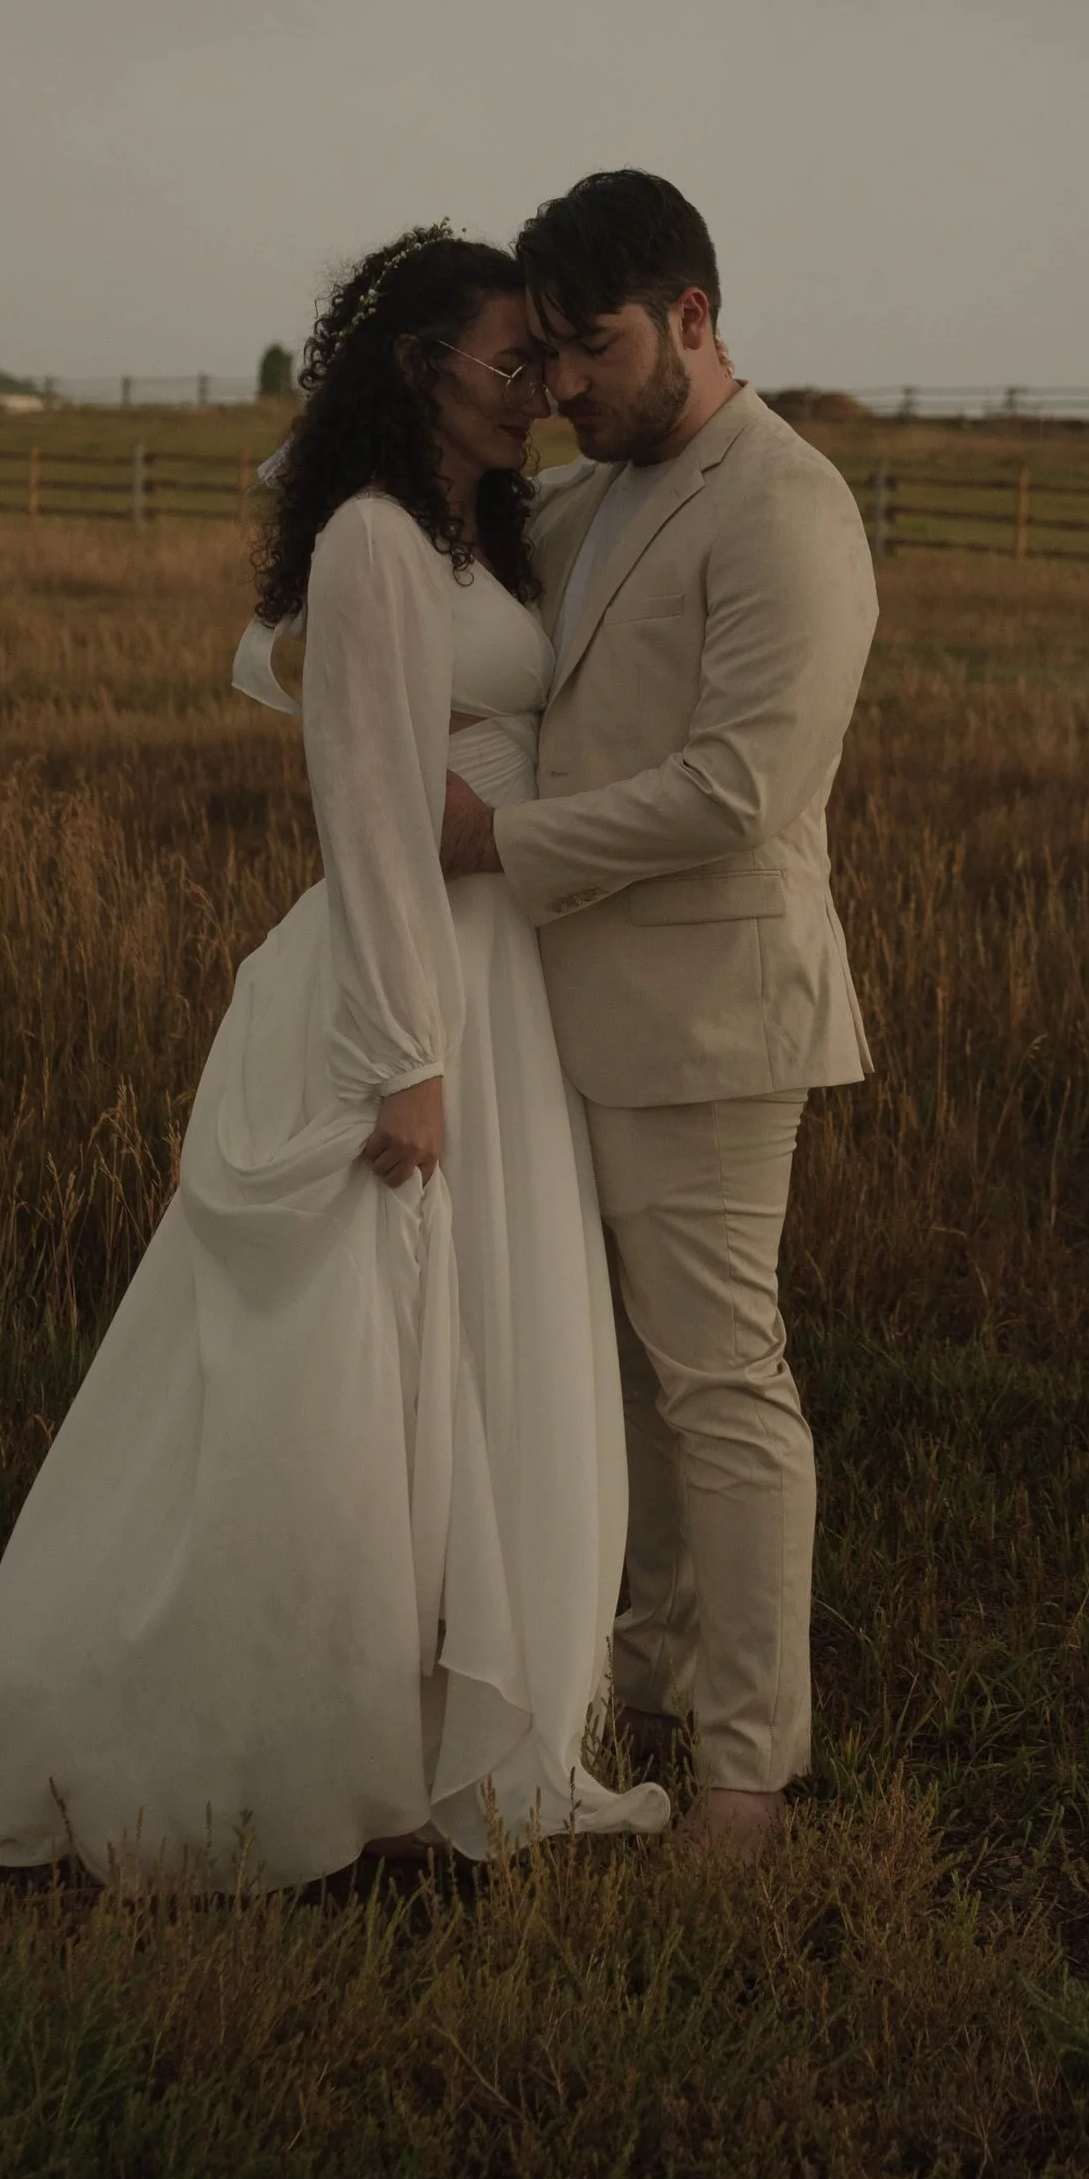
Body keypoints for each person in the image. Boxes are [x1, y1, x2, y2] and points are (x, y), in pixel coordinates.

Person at [0, 229, 669, 1893]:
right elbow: (374, 812)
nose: (540, 393)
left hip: (509, 979)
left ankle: (442, 1714)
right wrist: (407, 1055)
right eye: (509, 364)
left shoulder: (494, 535)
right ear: (418, 371)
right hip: (412, 992)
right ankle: (285, 1743)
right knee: (351, 1370)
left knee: (484, 1347)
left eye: (550, 363)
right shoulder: (373, 544)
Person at [438, 170, 879, 1865]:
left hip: (711, 1012)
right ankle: (642, 1675)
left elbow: (747, 783)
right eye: (542, 354)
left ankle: (752, 1778)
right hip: (574, 1006)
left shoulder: (786, 506)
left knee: (721, 1381)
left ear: (692, 314)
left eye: (592, 345)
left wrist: (506, 842)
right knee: (614, 1381)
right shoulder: (603, 489)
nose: (566, 384)